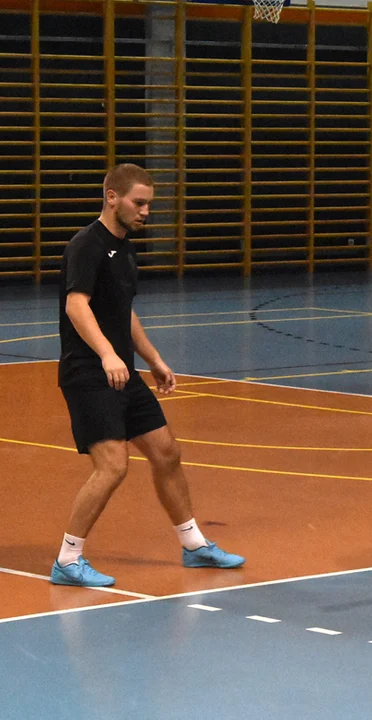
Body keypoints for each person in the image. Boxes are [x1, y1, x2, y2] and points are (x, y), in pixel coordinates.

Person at [51, 163, 244, 588]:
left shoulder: (126, 248)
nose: (145, 212)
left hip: (123, 372)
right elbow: (76, 306)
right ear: (112, 197)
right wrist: (106, 355)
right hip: (89, 373)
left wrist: (153, 358)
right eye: (139, 203)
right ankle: (68, 559)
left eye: (149, 205)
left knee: (166, 452)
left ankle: (194, 546)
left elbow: (123, 311)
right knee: (112, 467)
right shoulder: (87, 246)